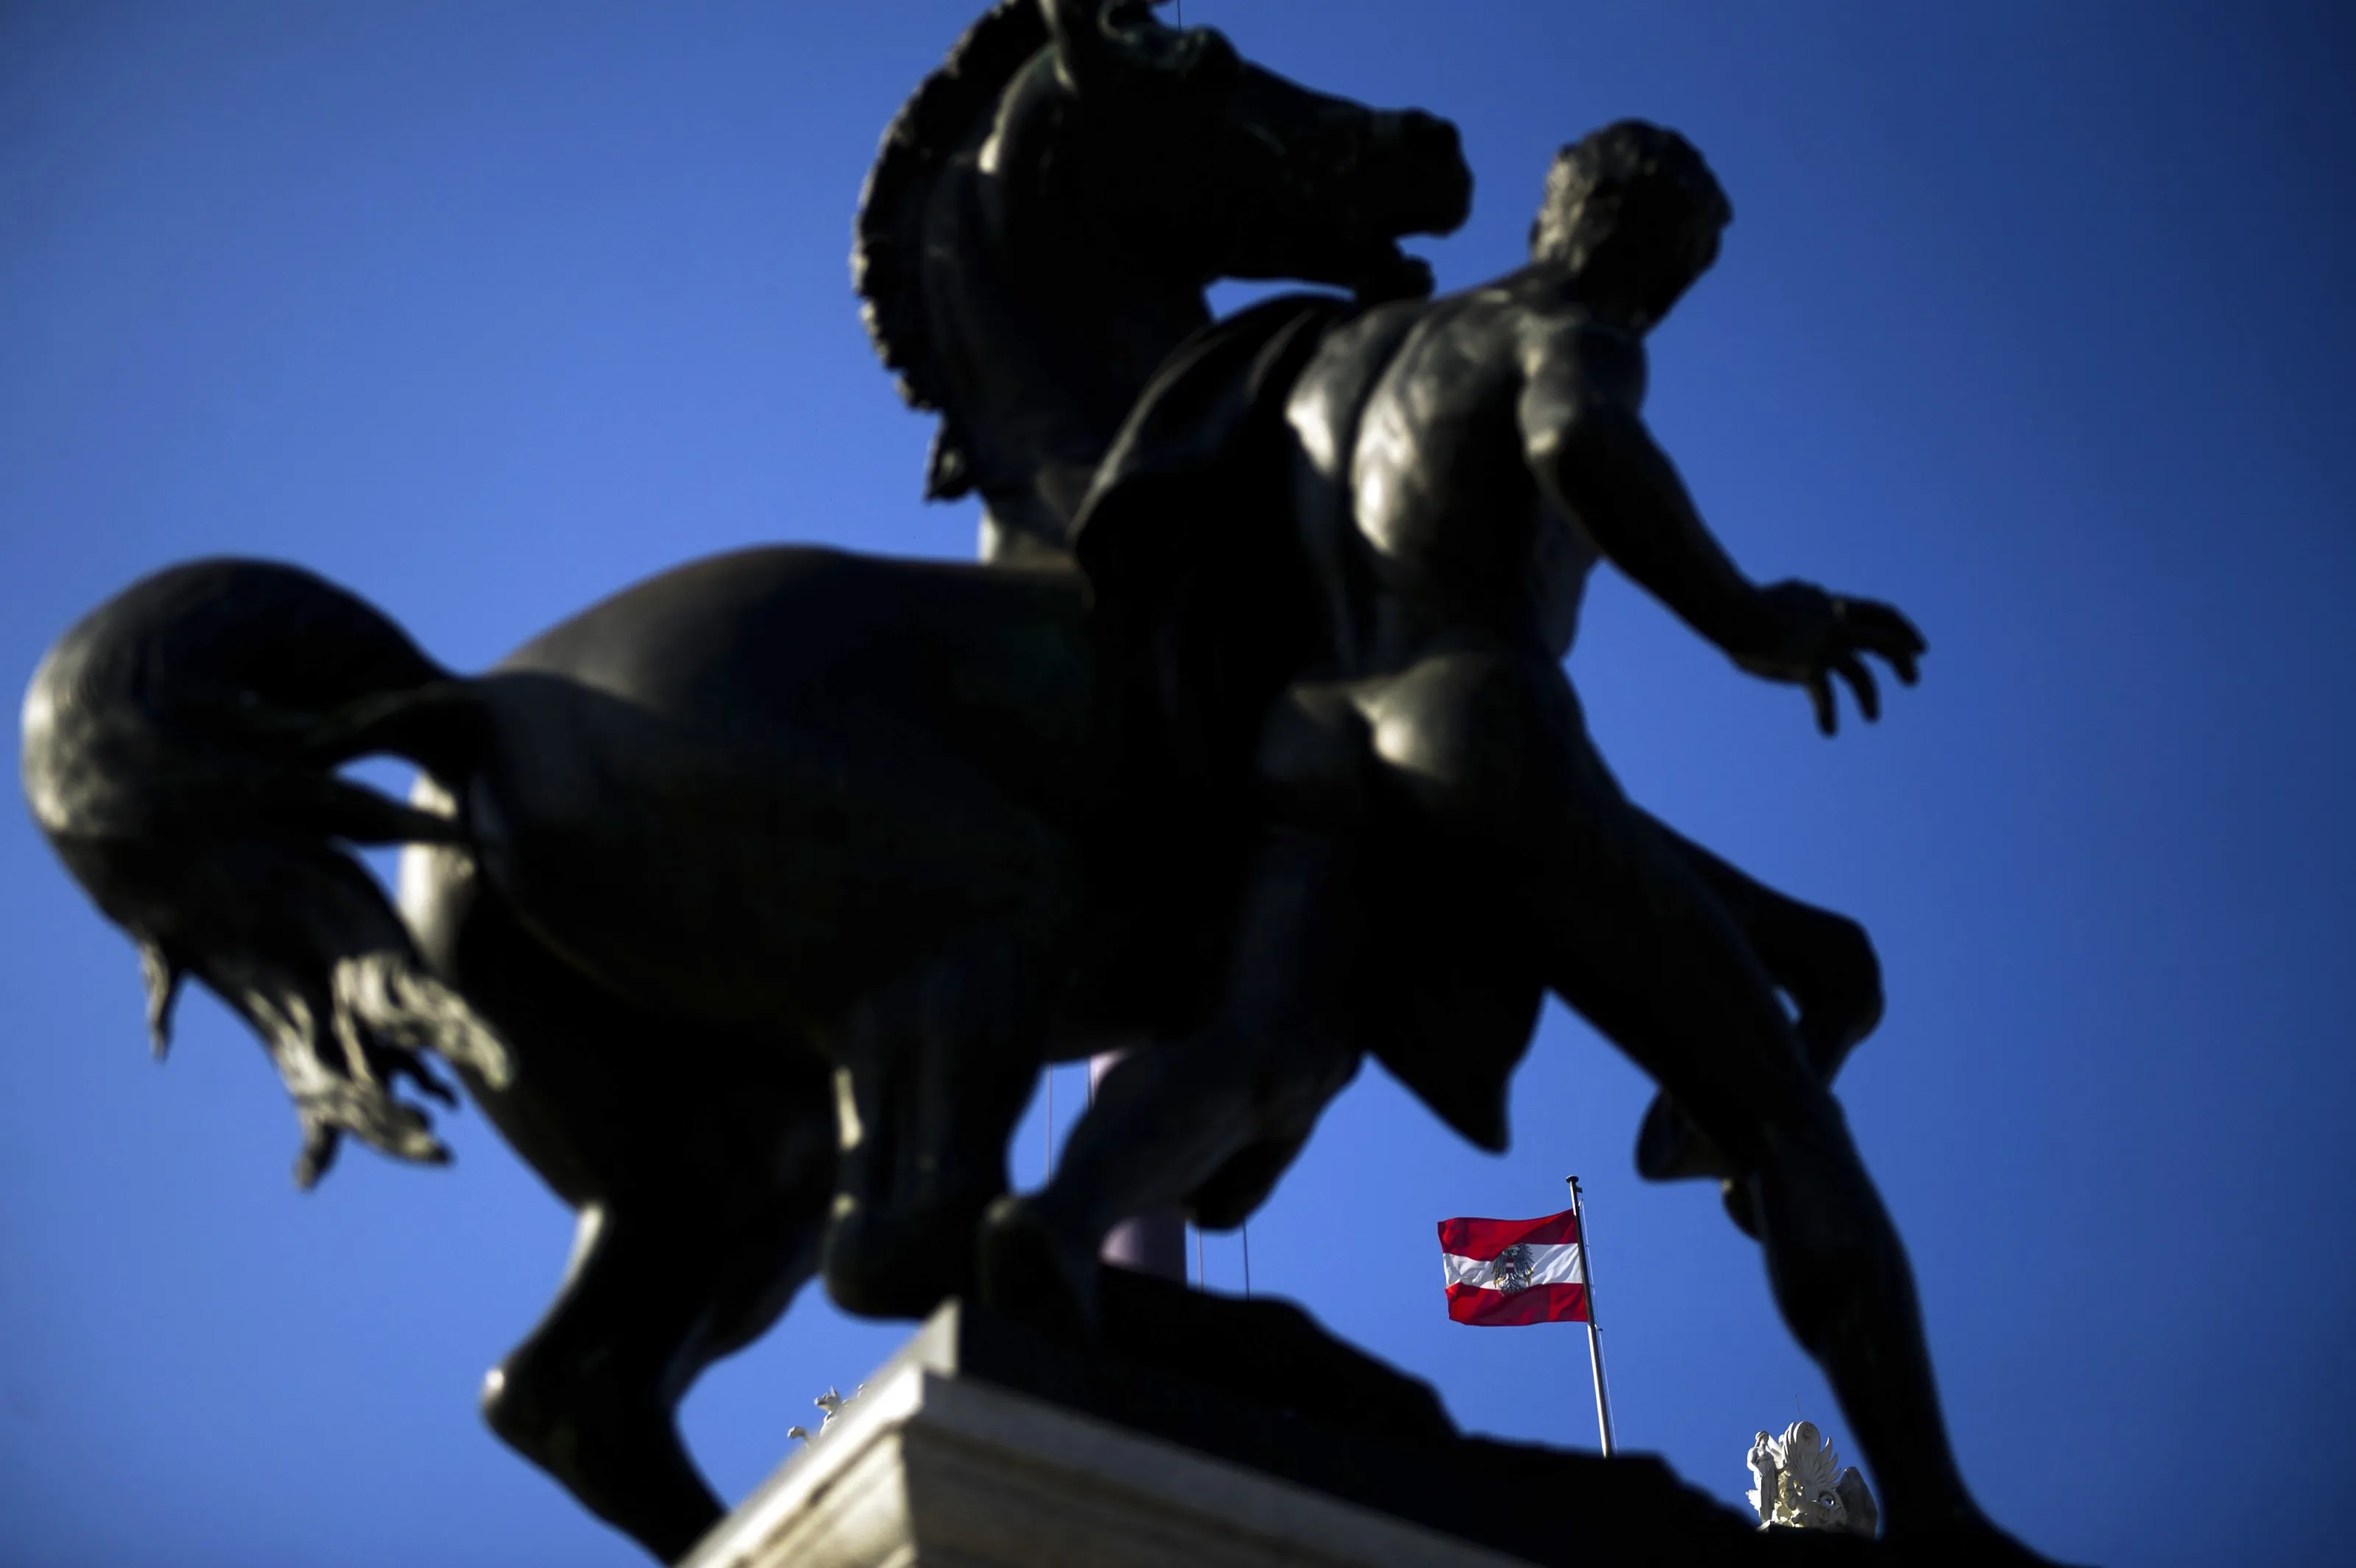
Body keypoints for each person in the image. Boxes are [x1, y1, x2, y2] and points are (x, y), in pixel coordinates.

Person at [987, 121, 2043, 1558]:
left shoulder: (1343, 345)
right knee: (1787, 1116)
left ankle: (1049, 1233)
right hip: (1477, 730)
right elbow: (1574, 436)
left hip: (1310, 735)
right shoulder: (1575, 331)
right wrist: (1750, 620)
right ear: (1640, 239)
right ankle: (1936, 1520)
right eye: (1688, 256)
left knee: (1257, 1049)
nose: (1677, 287)